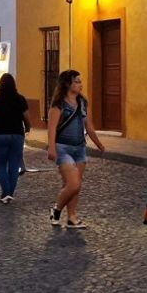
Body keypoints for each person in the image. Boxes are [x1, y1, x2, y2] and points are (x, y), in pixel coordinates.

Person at [45, 70, 105, 228]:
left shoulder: (83, 102)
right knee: (73, 184)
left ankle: (72, 217)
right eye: (77, 81)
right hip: (62, 148)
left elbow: (89, 125)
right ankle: (56, 209)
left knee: (74, 187)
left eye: (80, 81)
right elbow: (51, 128)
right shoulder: (59, 104)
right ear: (67, 84)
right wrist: (51, 148)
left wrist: (98, 143)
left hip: (79, 148)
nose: (80, 84)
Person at [0, 73, 30, 204]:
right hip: (17, 134)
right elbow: (26, 117)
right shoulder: (20, 99)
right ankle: (9, 193)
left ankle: (6, 192)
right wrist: (28, 127)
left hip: (0, 135)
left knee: (1, 164)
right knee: (14, 164)